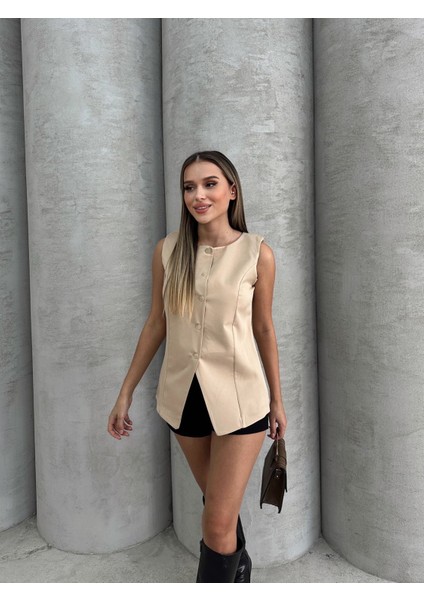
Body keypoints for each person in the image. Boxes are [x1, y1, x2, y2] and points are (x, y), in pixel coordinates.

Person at [107, 150, 287, 583]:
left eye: (209, 184)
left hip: (241, 401)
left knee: (216, 525)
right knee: (217, 510)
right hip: (182, 400)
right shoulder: (168, 251)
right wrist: (125, 391)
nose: (198, 195)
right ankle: (238, 570)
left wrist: (277, 401)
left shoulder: (257, 254)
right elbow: (157, 323)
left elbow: (264, 328)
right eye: (189, 187)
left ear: (232, 191)